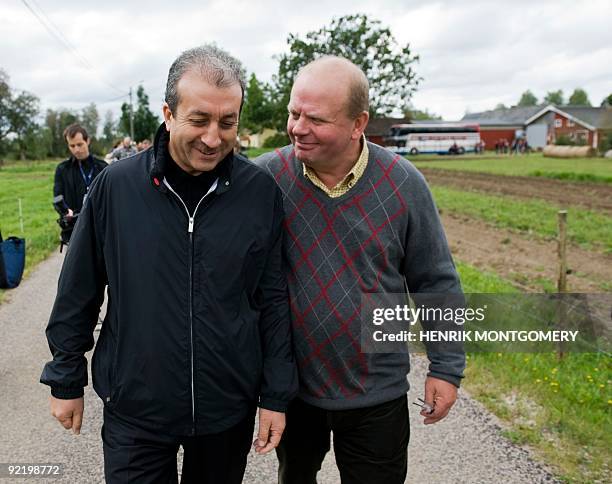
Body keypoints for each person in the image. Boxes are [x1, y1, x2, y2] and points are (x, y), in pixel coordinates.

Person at [41, 45, 298, 484]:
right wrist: (67, 377)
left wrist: (275, 394)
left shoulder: (259, 193)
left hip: (225, 407)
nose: (213, 137)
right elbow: (78, 289)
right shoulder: (115, 188)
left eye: (227, 122)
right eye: (199, 120)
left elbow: (272, 299)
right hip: (135, 407)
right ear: (168, 113)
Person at [255, 56, 465, 484]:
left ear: (358, 124)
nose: (297, 127)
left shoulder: (404, 185)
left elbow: (435, 281)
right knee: (294, 476)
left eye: (315, 119)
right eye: (294, 113)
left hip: (377, 390)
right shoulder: (265, 180)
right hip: (294, 389)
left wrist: (445, 367)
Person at [53, 124, 107, 248]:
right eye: (72, 146)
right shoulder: (62, 169)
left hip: (99, 229)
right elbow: (57, 196)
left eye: (80, 144)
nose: (76, 149)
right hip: (74, 231)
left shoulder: (102, 167)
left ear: (87, 141)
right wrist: (65, 211)